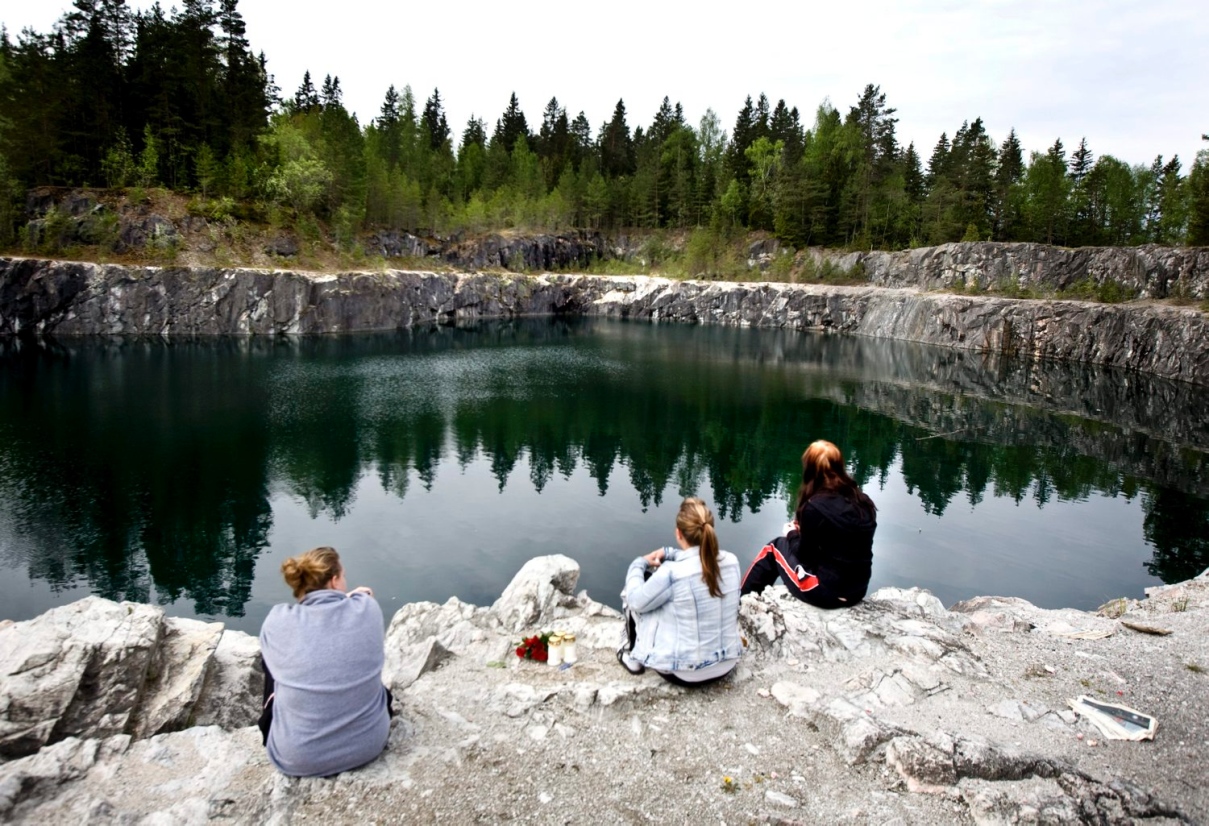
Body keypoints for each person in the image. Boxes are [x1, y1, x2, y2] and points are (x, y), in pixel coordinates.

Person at [258, 547, 392, 777]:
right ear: (334, 581)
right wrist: (350, 599)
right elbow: (363, 596)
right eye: (344, 576)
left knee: (272, 662)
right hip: (368, 746)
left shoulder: (278, 621)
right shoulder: (367, 608)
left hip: (297, 759)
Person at [617, 497, 743, 686]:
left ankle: (632, 657)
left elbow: (635, 600)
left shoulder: (671, 573)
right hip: (726, 666)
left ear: (679, 533)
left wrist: (639, 562)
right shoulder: (732, 561)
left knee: (634, 591)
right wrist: (669, 552)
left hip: (684, 674)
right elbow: (700, 560)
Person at [741, 440, 877, 608]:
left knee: (774, 548)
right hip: (857, 592)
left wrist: (791, 533)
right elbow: (844, 545)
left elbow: (804, 555)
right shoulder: (863, 502)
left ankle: (740, 604)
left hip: (825, 593)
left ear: (810, 469)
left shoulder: (815, 506)